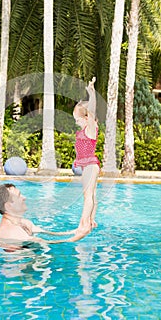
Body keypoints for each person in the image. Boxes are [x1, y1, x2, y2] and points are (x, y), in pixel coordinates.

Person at [0, 183, 84, 250]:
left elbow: (46, 233)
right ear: (8, 206)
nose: (24, 197)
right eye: (19, 196)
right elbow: (43, 242)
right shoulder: (13, 233)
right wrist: (74, 239)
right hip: (19, 268)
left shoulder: (24, 222)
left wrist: (75, 231)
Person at [73, 77, 100, 239]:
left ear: (85, 118)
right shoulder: (86, 129)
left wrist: (91, 93)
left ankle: (83, 223)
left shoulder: (90, 128)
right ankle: (91, 220)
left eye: (77, 120)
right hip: (88, 166)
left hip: (90, 164)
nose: (76, 123)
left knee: (87, 194)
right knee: (92, 194)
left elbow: (92, 110)